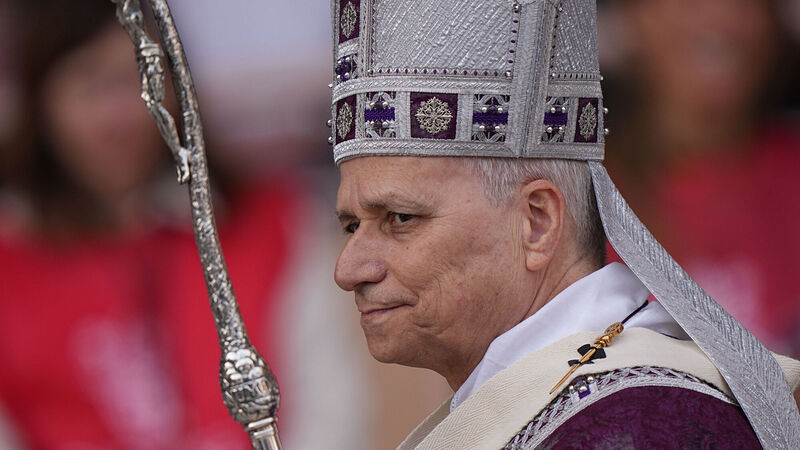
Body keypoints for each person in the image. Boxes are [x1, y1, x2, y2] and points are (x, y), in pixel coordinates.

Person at [327, 0, 800, 448]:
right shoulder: (569, 403)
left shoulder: (635, 430)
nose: (347, 271)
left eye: (400, 218)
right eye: (351, 226)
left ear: (537, 221)